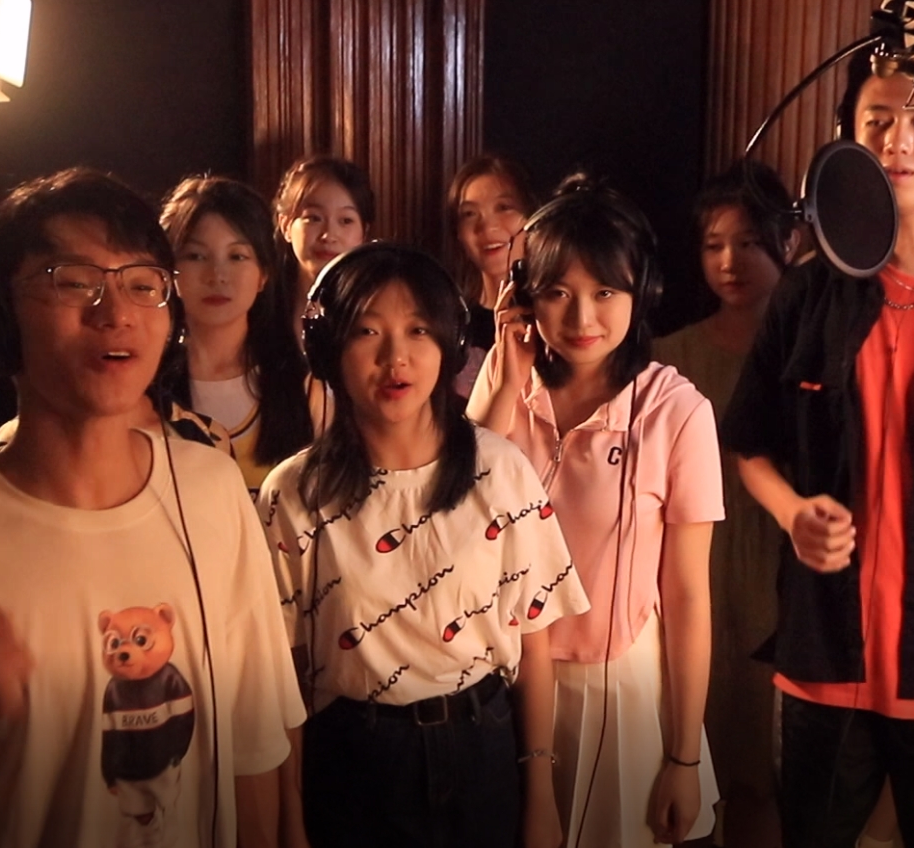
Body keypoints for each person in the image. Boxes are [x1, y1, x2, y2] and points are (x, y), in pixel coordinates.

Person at [0, 167, 305, 848]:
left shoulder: (214, 492)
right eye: (73, 281)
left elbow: (252, 740)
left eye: (142, 285)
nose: (115, 312)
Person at [720, 51, 914, 848]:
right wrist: (792, 513)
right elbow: (749, 440)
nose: (898, 140)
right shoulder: (807, 291)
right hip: (825, 661)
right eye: (878, 122)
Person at [258, 243, 588, 848]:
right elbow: (282, 675)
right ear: (329, 348)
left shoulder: (501, 469)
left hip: (482, 748)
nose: (396, 358)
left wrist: (541, 794)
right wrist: (292, 819)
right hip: (354, 763)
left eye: (417, 330)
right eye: (367, 332)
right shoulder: (294, 492)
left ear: (449, 343)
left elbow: (533, 644)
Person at [469, 176, 722, 846]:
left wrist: (683, 757)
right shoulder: (504, 387)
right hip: (502, 685)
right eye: (558, 293)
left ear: (643, 292)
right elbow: (457, 513)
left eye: (605, 292)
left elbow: (688, 596)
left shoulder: (676, 412)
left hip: (619, 691)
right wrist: (506, 375)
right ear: (524, 296)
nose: (582, 318)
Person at [653, 159, 799, 848]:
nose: (729, 262)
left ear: (787, 240)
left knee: (761, 775)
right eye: (713, 245)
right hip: (692, 574)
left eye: (747, 242)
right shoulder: (669, 358)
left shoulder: (807, 351)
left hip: (778, 570)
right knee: (685, 759)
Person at [157, 175, 317, 497]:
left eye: (237, 256)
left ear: (263, 274)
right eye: (196, 256)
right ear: (168, 272)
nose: (217, 275)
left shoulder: (304, 387)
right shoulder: (147, 387)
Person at [446, 154, 539, 398]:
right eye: (469, 214)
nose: (487, 227)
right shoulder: (450, 321)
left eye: (504, 207)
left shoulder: (553, 314)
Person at [272, 155, 375, 339]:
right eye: (314, 218)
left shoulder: (375, 308)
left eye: (346, 221)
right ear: (285, 225)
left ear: (364, 233)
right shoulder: (260, 306)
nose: (328, 236)